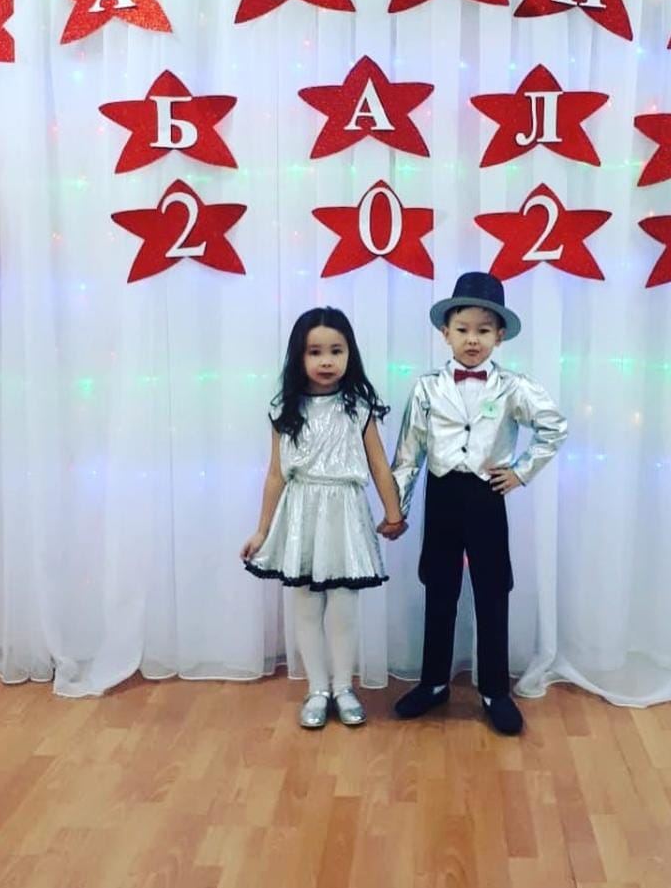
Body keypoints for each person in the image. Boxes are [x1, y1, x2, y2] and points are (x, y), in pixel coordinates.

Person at [388, 272, 567, 735]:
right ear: (445, 333)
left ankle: (494, 690)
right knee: (439, 587)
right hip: (442, 495)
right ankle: (433, 683)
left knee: (492, 590)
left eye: (483, 330)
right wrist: (396, 508)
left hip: (487, 497)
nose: (473, 339)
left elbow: (554, 427)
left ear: (499, 336)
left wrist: (521, 471)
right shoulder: (427, 388)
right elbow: (409, 453)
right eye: (463, 329)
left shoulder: (514, 386)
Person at [241, 307, 406, 729]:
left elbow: (379, 465)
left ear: (350, 354)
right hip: (301, 513)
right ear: (299, 356)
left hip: (345, 512)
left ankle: (343, 686)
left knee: (344, 605)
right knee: (306, 604)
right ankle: (317, 688)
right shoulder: (285, 408)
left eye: (336, 350)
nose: (326, 361)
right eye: (315, 352)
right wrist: (262, 530)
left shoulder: (359, 408)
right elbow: (276, 473)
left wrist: (393, 514)